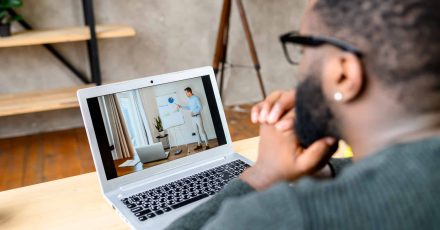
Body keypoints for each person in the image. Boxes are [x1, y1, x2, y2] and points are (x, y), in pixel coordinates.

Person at [167, 0, 440, 229]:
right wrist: (322, 164)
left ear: (344, 74)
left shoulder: (285, 217)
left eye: (304, 51)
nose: (299, 73)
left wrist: (262, 175)